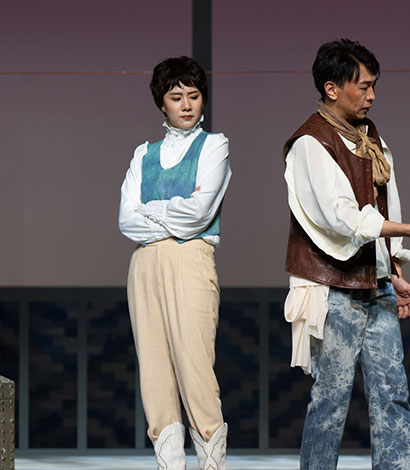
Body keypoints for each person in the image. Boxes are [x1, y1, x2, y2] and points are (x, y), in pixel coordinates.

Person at [283, 39, 410, 470]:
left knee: (392, 396)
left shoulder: (369, 138)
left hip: (375, 285)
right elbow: (341, 216)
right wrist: (407, 230)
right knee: (330, 402)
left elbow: (386, 204)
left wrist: (392, 267)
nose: (372, 96)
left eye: (373, 86)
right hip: (333, 288)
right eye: (363, 86)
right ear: (332, 88)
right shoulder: (311, 143)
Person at [118, 56, 231, 470]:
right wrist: (170, 213)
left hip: (190, 258)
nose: (186, 105)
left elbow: (199, 213)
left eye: (194, 96)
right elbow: (126, 220)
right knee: (154, 372)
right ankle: (169, 464)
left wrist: (152, 209)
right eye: (176, 96)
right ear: (161, 102)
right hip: (144, 263)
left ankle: (211, 463)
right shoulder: (143, 154)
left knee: (195, 367)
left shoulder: (214, 145)